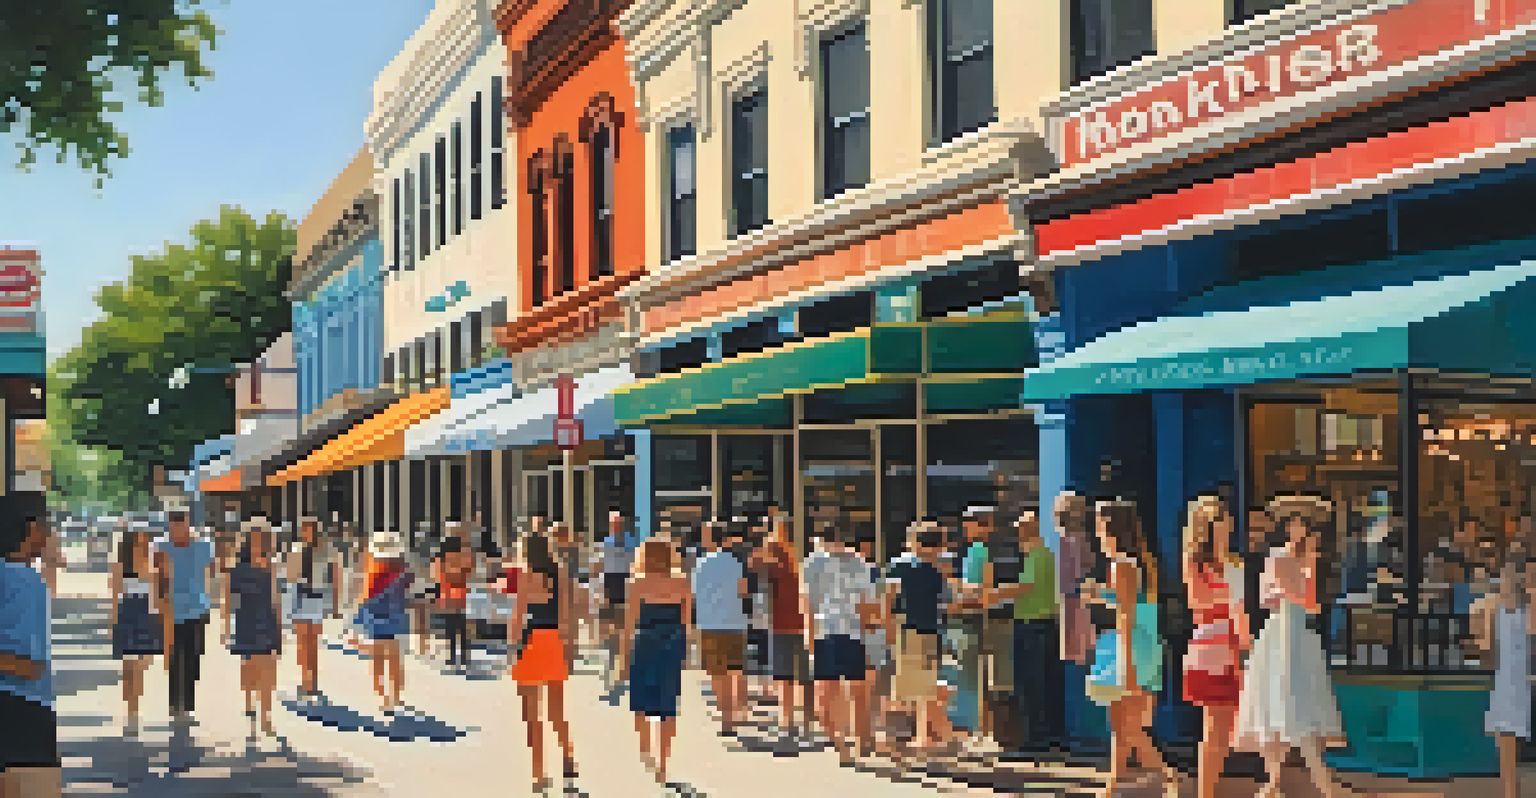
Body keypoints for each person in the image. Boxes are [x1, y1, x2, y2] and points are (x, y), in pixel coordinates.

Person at [1235, 495, 1349, 798]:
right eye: (1299, 524)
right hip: (1284, 633)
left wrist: (1308, 567)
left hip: (1297, 631)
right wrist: (1305, 571)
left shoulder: (1300, 558)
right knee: (1288, 705)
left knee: (1291, 706)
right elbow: (1296, 599)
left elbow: (1310, 605)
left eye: (1308, 525)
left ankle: (1273, 785)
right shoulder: (1280, 557)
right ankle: (1320, 785)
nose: (1305, 531)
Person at [1084, 499, 1178, 795]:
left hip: (1129, 647)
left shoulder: (1120, 564)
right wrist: (1102, 596)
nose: (1096, 531)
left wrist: (1127, 665)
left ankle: (1166, 776)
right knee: (1125, 724)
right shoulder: (1138, 562)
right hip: (1140, 644)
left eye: (1099, 524)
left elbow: (1127, 614)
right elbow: (1133, 605)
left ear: (1109, 528)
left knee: (1126, 725)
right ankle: (1115, 784)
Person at [1181, 495, 1249, 798]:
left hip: (1236, 645)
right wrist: (1231, 596)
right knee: (1214, 727)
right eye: (1214, 520)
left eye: (1223, 518)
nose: (1222, 524)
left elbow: (1245, 608)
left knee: (1232, 728)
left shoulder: (1235, 561)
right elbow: (1197, 601)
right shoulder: (1195, 561)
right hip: (1211, 645)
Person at [984, 510, 1064, 756]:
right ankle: (1048, 737)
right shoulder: (1047, 554)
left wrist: (993, 593)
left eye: (1020, 530)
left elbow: (1025, 586)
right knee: (1044, 683)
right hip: (1045, 625)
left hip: (1033, 626)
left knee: (1030, 685)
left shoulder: (1037, 555)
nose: (1017, 535)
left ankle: (1034, 742)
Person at [803, 518, 878, 765]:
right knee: (858, 689)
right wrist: (868, 633)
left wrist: (809, 637)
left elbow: (808, 604)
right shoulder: (860, 563)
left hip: (825, 631)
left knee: (828, 691)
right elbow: (867, 604)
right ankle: (862, 740)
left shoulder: (813, 563)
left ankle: (840, 742)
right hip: (854, 631)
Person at [0, 498, 60, 798]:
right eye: (46, 524)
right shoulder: (25, 581)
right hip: (24, 709)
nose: (49, 533)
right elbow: (29, 666)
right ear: (31, 528)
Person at [511, 533, 579, 795]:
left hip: (531, 641)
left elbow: (518, 617)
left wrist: (512, 648)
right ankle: (568, 755)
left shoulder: (526, 577)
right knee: (557, 710)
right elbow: (566, 616)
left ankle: (538, 775)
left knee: (532, 717)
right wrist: (569, 648)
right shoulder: (560, 573)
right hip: (553, 641)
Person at [621, 538, 692, 791]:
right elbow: (686, 621)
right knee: (668, 704)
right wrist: (685, 650)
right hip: (672, 642)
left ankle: (646, 753)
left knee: (640, 701)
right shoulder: (682, 580)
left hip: (646, 642)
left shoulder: (638, 582)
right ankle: (664, 763)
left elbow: (629, 622)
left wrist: (622, 656)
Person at [885, 520, 948, 760]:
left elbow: (888, 599)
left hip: (906, 630)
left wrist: (888, 630)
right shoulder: (937, 570)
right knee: (926, 687)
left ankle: (899, 741)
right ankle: (924, 738)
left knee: (902, 689)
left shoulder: (898, 566)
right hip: (931, 631)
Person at [1477, 545, 1534, 798]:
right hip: (1516, 681)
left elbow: (1485, 649)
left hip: (1511, 680)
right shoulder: (1513, 606)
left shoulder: (1495, 605)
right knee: (1510, 746)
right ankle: (1511, 793)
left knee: (1508, 748)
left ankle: (1511, 793)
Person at [154, 508, 215, 726]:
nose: (176, 529)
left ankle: (188, 706)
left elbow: (211, 573)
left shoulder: (204, 546)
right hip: (171, 610)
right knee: (174, 659)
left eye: (180, 524)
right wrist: (159, 608)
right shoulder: (161, 546)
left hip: (197, 610)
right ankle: (174, 706)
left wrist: (210, 603)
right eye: (172, 525)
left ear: (188, 523)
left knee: (193, 658)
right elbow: (158, 579)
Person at [223, 519, 282, 740]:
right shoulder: (236, 567)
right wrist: (226, 626)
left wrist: (279, 627)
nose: (258, 543)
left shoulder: (272, 565)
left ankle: (266, 716)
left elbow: (276, 598)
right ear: (247, 542)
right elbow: (227, 598)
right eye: (255, 539)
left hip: (267, 619)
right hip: (246, 620)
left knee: (269, 668)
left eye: (262, 539)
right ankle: (250, 702)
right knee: (249, 668)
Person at [752, 513, 808, 740]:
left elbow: (755, 566)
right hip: (804, 620)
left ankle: (786, 721)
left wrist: (765, 543)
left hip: (781, 622)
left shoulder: (774, 553)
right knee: (803, 674)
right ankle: (806, 719)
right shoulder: (803, 554)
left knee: (784, 674)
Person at [692, 518, 749, 736]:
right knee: (735, 671)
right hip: (734, 621)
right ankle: (732, 715)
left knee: (717, 673)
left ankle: (725, 716)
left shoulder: (701, 563)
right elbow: (743, 590)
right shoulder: (735, 562)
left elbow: (695, 595)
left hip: (709, 623)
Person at [109, 520, 163, 736]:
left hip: (146, 616)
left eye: (145, 536)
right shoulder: (121, 565)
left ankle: (135, 707)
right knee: (128, 669)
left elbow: (158, 595)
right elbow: (115, 596)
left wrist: (159, 620)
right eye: (139, 537)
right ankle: (131, 714)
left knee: (140, 666)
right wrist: (111, 623)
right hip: (127, 614)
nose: (144, 540)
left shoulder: (152, 563)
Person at [355, 529, 415, 717]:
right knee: (395, 659)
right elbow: (410, 591)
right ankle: (395, 698)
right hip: (396, 616)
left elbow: (364, 595)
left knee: (378, 658)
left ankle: (383, 697)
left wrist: (358, 620)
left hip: (375, 616)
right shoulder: (403, 568)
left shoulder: (372, 567)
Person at [287, 516, 339, 704]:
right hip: (300, 598)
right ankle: (304, 681)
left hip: (317, 599)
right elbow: (290, 577)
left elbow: (334, 577)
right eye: (303, 528)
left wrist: (335, 605)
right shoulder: (296, 549)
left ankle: (313, 682)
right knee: (302, 643)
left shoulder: (326, 551)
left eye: (309, 528)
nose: (306, 532)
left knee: (313, 644)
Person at [597, 512, 635, 691]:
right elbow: (602, 569)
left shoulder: (631, 542)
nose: (616, 527)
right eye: (614, 524)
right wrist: (602, 594)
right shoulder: (606, 543)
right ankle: (612, 666)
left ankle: (624, 670)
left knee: (625, 631)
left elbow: (635, 566)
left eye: (619, 523)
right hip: (610, 588)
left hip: (626, 586)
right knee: (612, 631)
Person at [434, 531, 473, 672]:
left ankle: (452, 655)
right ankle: (463, 656)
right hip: (461, 596)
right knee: (462, 627)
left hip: (447, 597)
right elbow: (469, 572)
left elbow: (438, 578)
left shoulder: (441, 560)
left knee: (450, 628)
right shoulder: (464, 559)